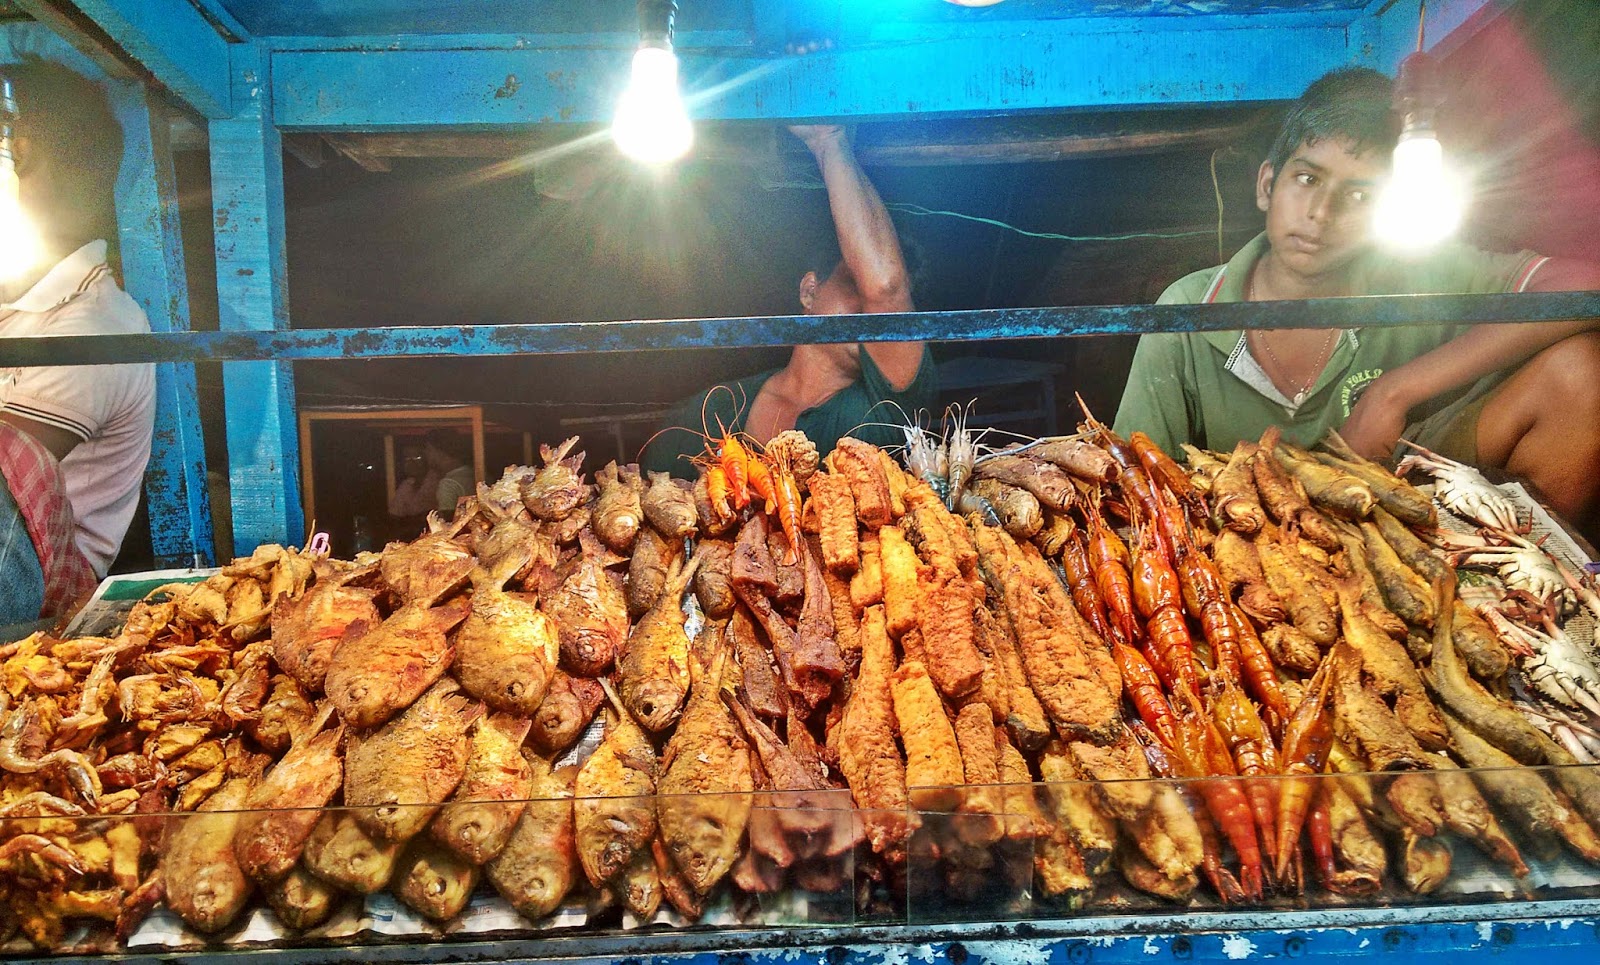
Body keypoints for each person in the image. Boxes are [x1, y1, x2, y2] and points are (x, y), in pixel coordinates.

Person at [1113, 68, 1600, 522]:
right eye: (1307, 179)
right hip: (1249, 533)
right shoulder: (1188, 309)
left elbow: (1587, 286)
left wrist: (1395, 391)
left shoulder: (1418, 269)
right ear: (1267, 185)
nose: (1322, 213)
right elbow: (1133, 478)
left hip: (1408, 502)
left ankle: (1530, 571)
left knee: (1580, 373)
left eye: (1360, 195)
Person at [641, 125, 935, 475]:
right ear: (809, 291)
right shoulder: (710, 411)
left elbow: (886, 289)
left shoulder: (884, 409)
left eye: (880, 302)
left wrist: (828, 140)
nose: (869, 306)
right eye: (854, 284)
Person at [0, 59, 152, 619]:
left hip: (45, 589)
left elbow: (9, 470)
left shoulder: (96, 322)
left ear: (22, 155)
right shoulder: (16, 306)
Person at [424, 429, 473, 515]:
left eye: (429, 449)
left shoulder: (448, 484)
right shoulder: (475, 473)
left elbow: (447, 520)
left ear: (439, 451)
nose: (426, 454)